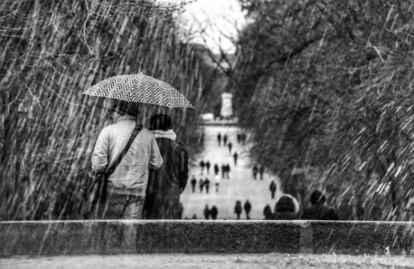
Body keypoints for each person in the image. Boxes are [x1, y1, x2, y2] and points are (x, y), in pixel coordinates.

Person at [91, 101, 163, 219]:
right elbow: (157, 163)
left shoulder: (108, 131)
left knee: (111, 230)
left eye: (113, 112)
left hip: (114, 189)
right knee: (130, 232)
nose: (111, 115)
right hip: (138, 191)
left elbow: (98, 166)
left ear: (120, 112)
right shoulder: (147, 134)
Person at [143, 114, 189, 219]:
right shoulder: (180, 150)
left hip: (148, 198)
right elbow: (183, 178)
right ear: (169, 128)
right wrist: (175, 190)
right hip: (171, 198)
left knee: (147, 230)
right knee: (170, 231)